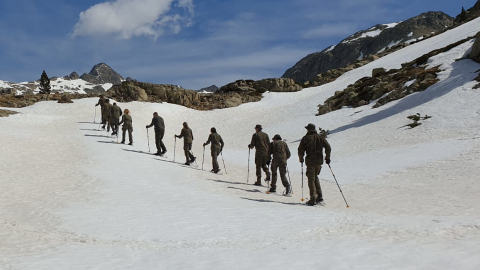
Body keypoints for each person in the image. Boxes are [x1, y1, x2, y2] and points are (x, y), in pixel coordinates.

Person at [298, 123, 331, 206]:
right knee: (315, 177)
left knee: (311, 178)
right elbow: (328, 147)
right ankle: (319, 197)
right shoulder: (320, 137)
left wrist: (301, 158)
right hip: (319, 161)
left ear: (309, 130)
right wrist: (327, 158)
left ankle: (313, 199)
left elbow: (300, 149)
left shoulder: (306, 138)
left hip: (310, 161)